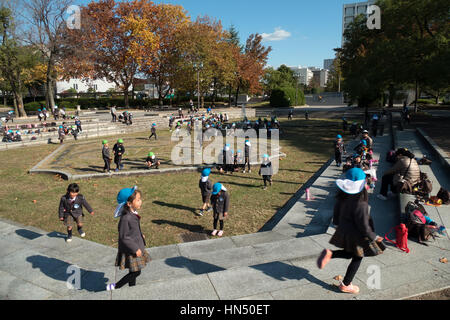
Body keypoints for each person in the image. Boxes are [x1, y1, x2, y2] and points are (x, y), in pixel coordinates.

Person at [317, 168, 385, 294]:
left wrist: (338, 225)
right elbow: (364, 226)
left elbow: (336, 215)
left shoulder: (342, 197)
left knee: (349, 253)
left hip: (344, 231)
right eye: (365, 181)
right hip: (357, 235)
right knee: (358, 257)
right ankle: (346, 284)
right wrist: (374, 237)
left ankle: (330, 254)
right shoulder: (361, 204)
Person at [106, 187, 151, 291]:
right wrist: (135, 248)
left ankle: (132, 288)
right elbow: (124, 237)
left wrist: (140, 235)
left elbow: (132, 230)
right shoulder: (126, 218)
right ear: (129, 203)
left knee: (133, 271)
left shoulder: (132, 214)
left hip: (134, 246)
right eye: (138, 200)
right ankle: (115, 286)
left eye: (140, 199)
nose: (141, 201)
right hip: (131, 249)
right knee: (136, 272)